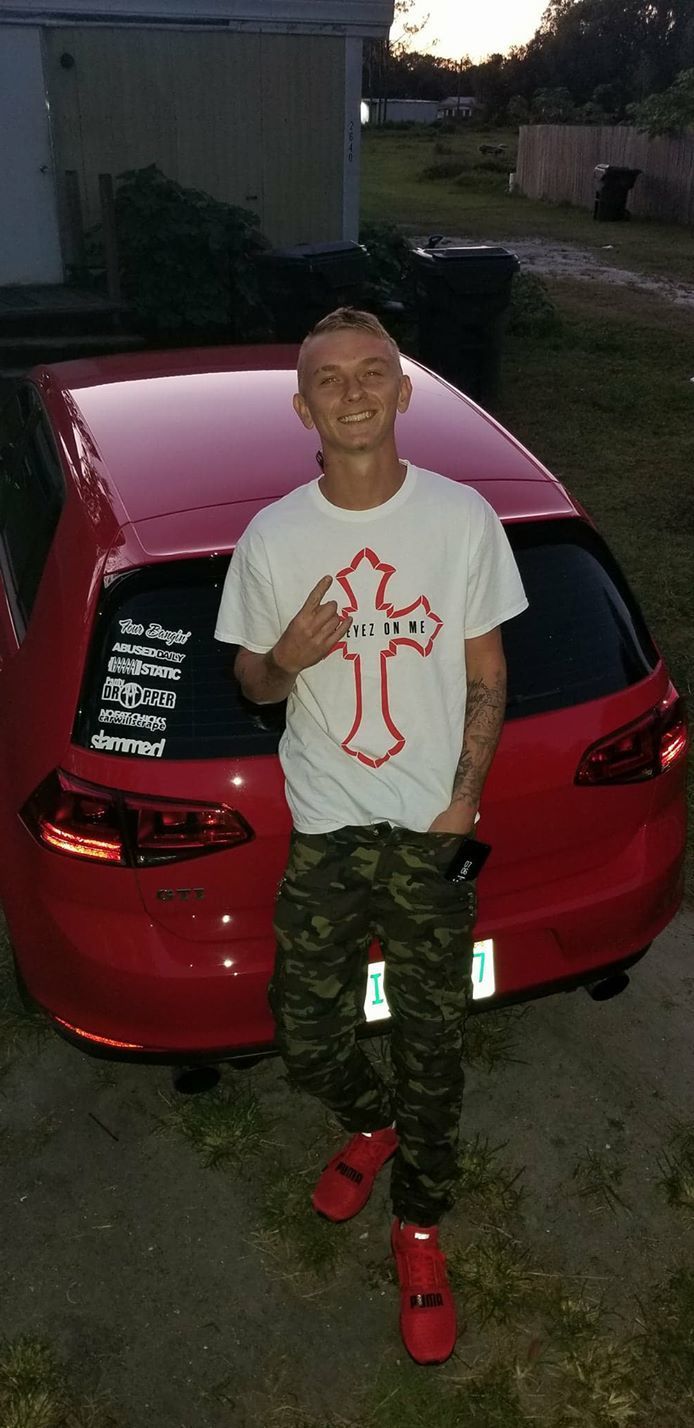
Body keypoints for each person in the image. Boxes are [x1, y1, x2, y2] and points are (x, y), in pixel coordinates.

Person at [215, 307, 528, 1365]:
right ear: (303, 409)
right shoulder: (273, 537)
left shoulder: (460, 519)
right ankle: (373, 1121)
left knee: (434, 1045)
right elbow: (251, 682)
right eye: (330, 378)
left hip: (432, 829)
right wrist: (285, 658)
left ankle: (420, 1226)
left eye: (373, 371)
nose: (353, 390)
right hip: (329, 828)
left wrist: (462, 803)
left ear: (403, 391)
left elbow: (486, 670)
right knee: (306, 1031)